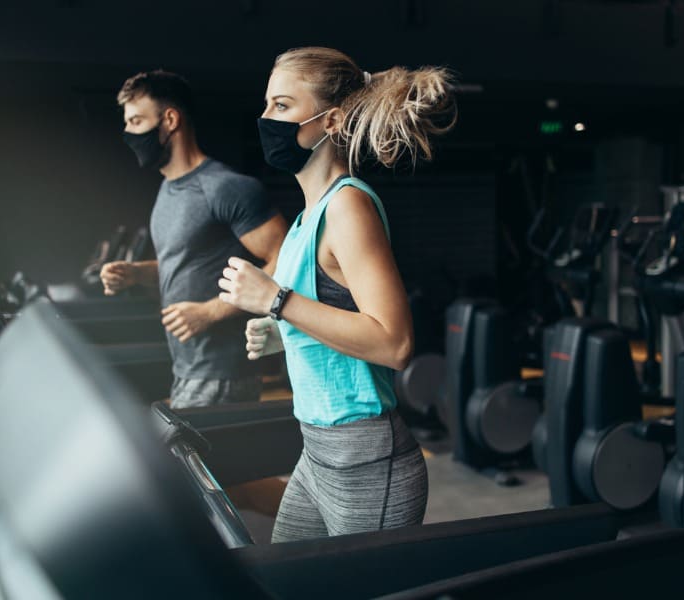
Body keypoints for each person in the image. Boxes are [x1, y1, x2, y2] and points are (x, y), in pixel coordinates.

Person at [218, 47, 457, 542]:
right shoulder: (307, 220)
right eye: (266, 105)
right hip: (316, 452)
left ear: (334, 120)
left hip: (368, 464)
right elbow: (334, 318)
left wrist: (277, 301)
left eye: (282, 106)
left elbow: (394, 344)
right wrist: (282, 330)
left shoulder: (348, 206)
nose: (266, 118)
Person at [101, 70, 287, 409]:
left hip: (221, 373)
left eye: (137, 120)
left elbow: (286, 259)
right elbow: (187, 263)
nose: (128, 133)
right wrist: (137, 273)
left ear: (170, 119)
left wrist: (210, 313)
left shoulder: (224, 187)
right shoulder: (169, 189)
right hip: (187, 368)